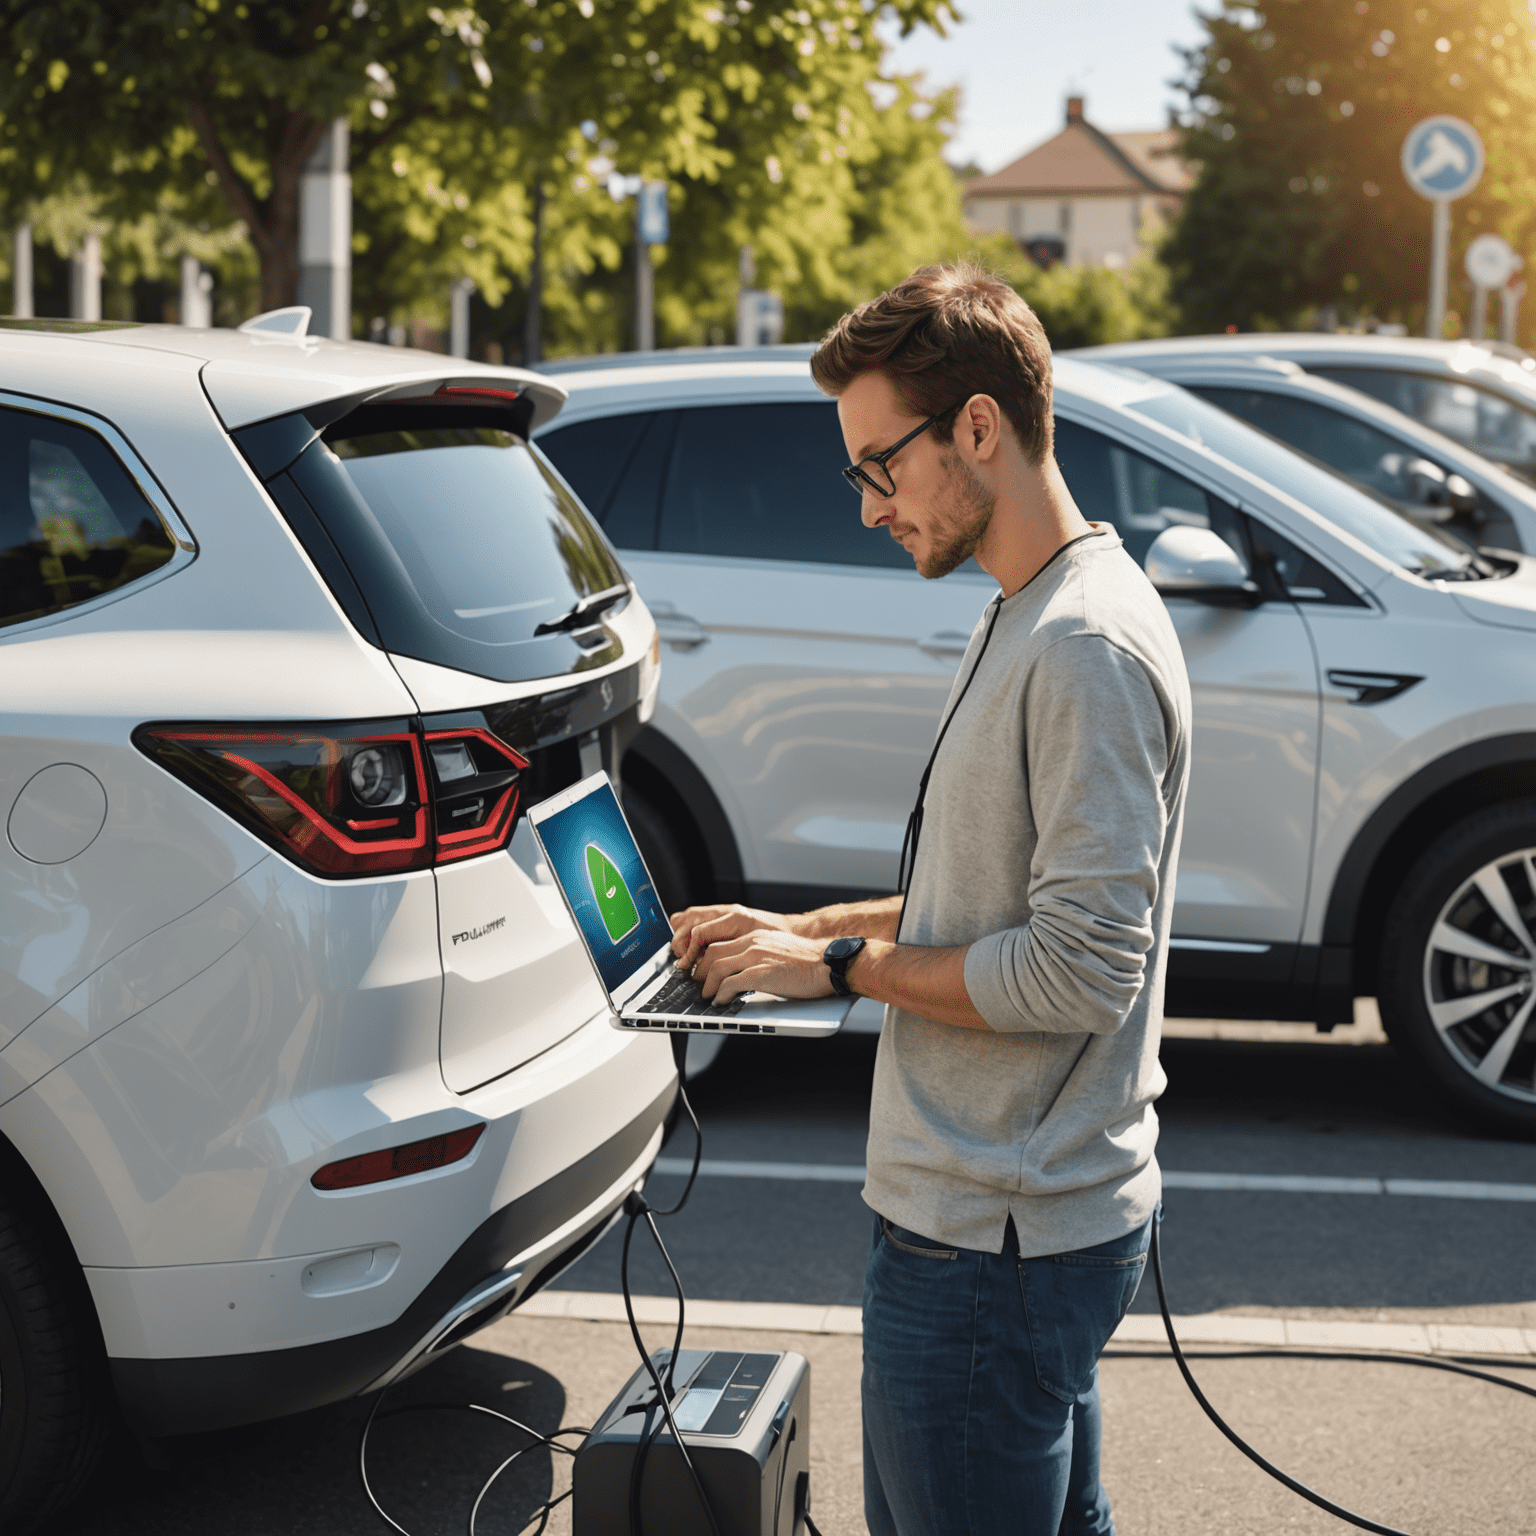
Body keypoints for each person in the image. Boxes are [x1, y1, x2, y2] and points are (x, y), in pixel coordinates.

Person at [669, 261, 1192, 1536]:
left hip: (991, 1248)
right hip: (1003, 1238)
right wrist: (802, 934)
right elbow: (976, 899)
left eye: (878, 466)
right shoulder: (1029, 610)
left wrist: (841, 978)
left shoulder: (1081, 647)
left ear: (976, 428)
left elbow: (1075, 970)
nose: (866, 508)